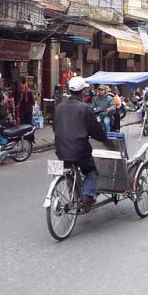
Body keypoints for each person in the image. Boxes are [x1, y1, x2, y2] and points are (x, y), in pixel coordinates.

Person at [52, 76, 107, 208]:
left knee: (69, 168)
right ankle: (87, 195)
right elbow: (95, 130)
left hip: (60, 150)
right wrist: (104, 138)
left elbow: (55, 127)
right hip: (79, 150)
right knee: (91, 171)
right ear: (83, 92)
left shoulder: (59, 107)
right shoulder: (85, 108)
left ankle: (74, 197)